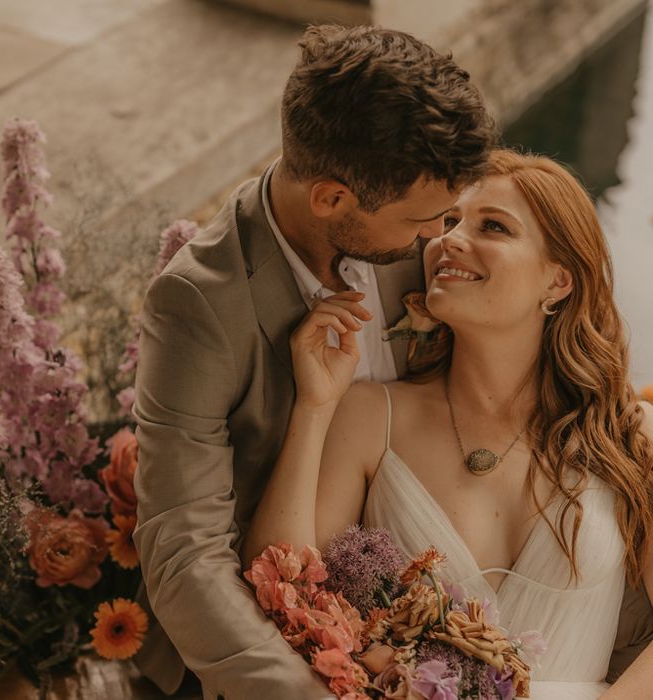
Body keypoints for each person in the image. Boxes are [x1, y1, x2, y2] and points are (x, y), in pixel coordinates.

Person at [131, 24, 496, 699]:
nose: (442, 239)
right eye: (426, 220)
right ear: (332, 197)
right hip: (258, 643)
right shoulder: (196, 305)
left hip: (431, 617)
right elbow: (184, 550)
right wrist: (304, 689)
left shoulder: (420, 224)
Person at [242, 149, 653, 699]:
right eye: (450, 221)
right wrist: (314, 407)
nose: (448, 239)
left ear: (558, 281)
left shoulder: (629, 436)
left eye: (493, 227)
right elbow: (282, 585)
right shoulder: (369, 417)